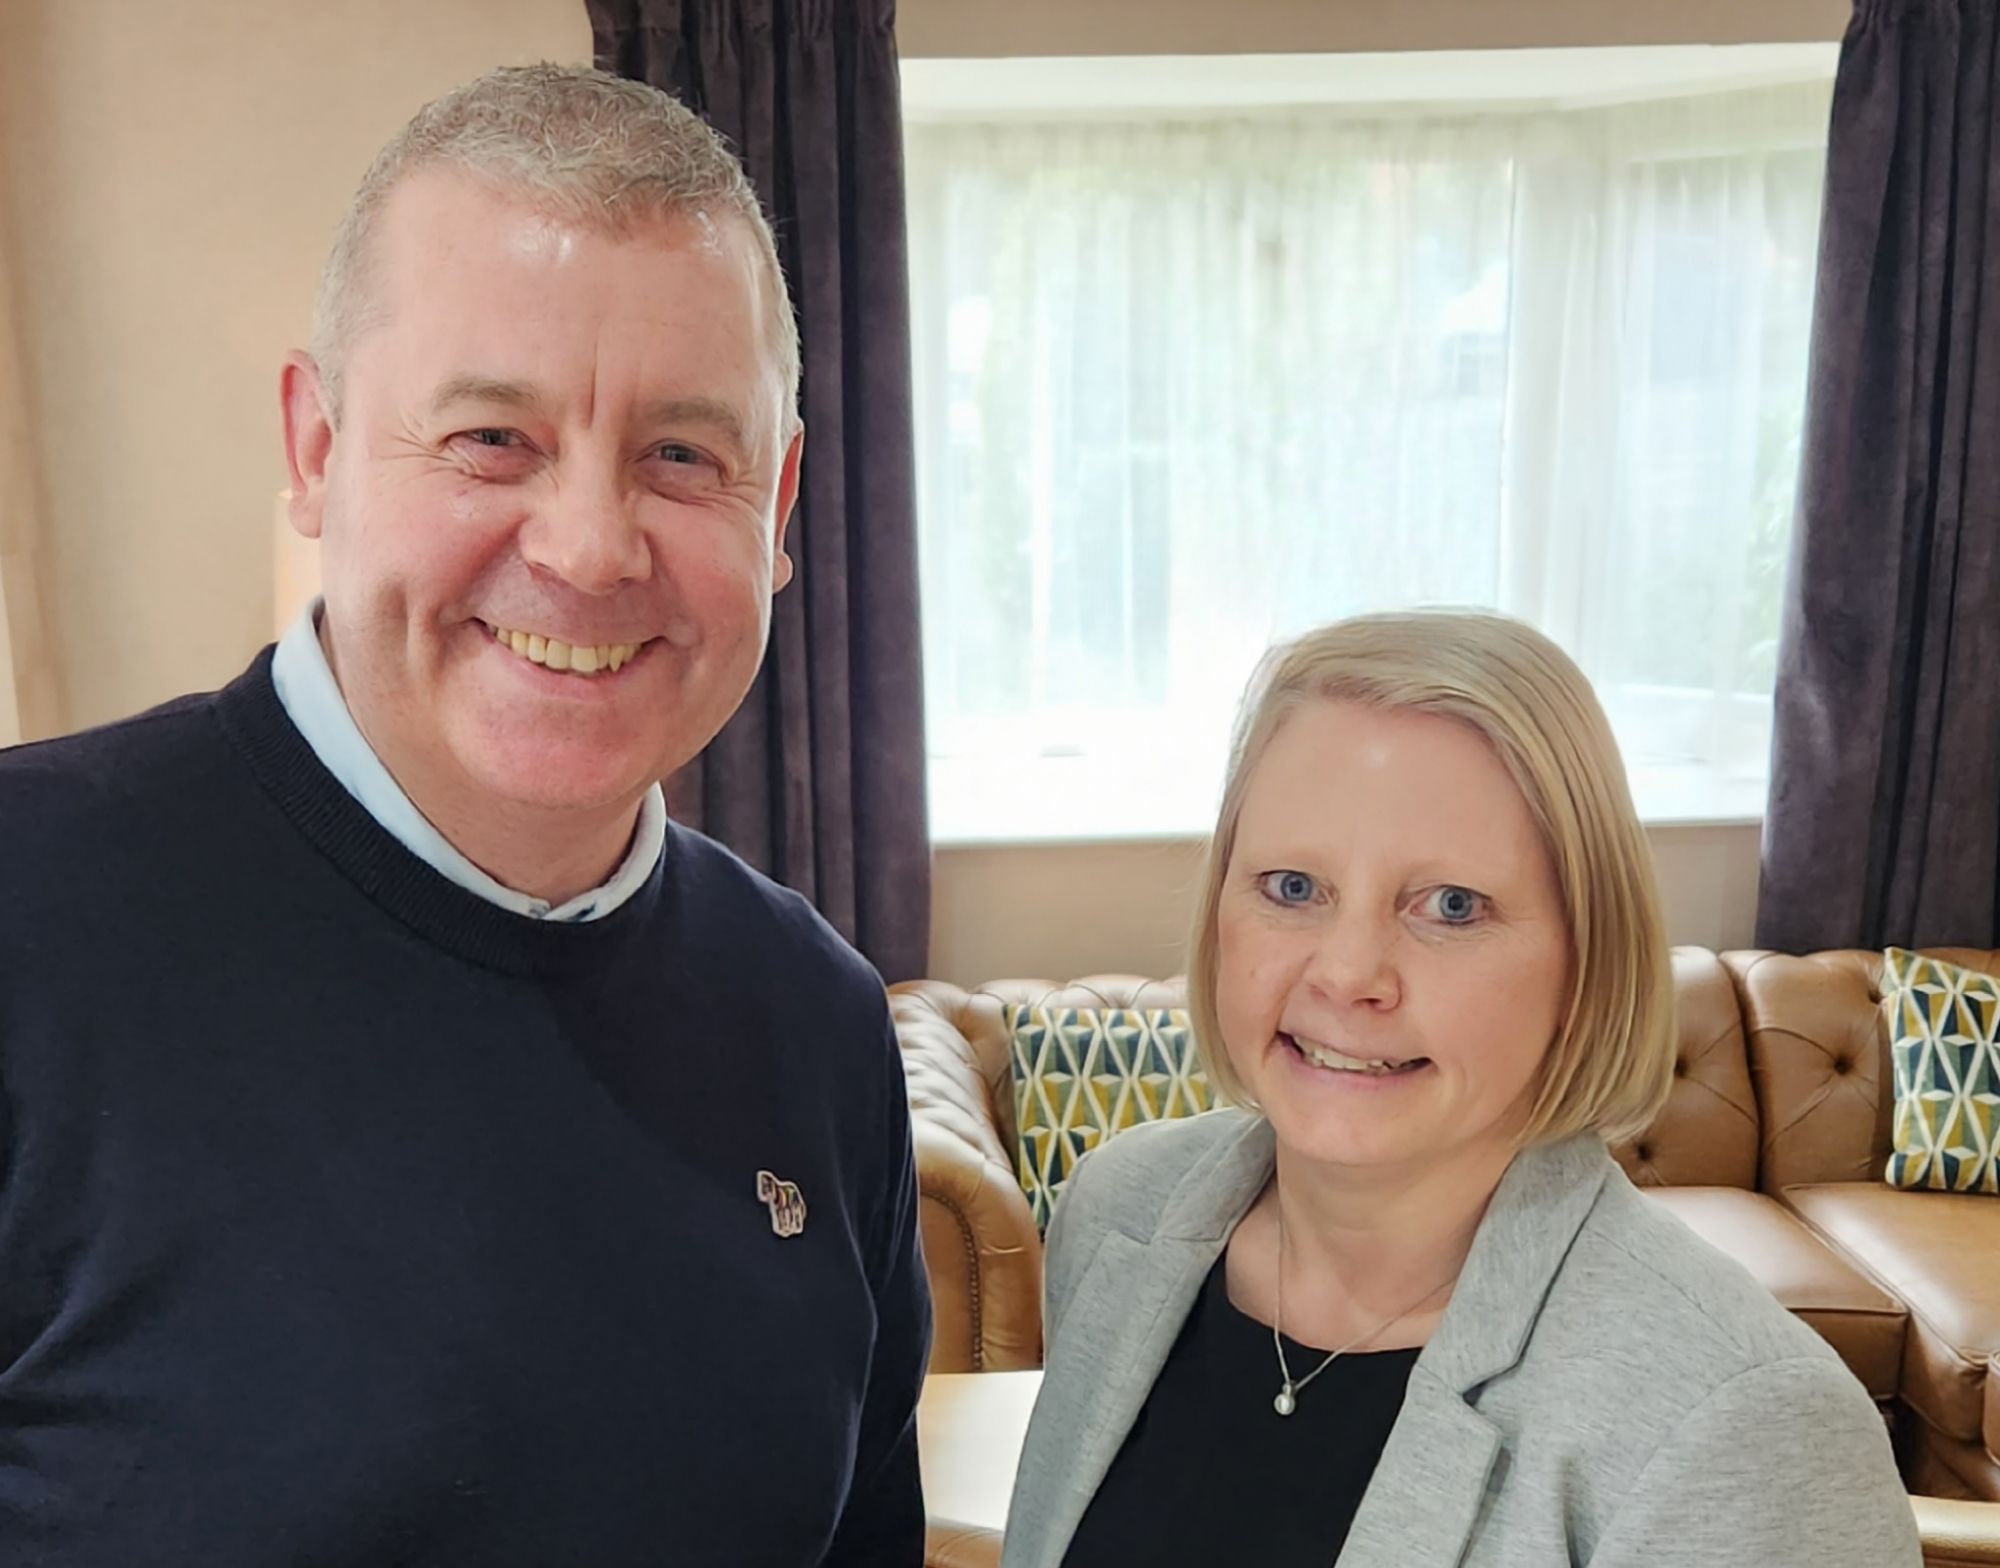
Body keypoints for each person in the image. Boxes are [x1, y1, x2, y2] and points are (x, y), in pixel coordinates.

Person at [0, 64, 928, 1566]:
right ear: (316, 448)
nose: (587, 546)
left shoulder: (815, 1022)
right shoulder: (29, 918)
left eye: (682, 455)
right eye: (492, 438)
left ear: (782, 507)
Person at [1001, 611, 1920, 1568]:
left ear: (1584, 960)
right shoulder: (1117, 1214)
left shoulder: (1747, 1425)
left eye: (1451, 906)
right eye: (1291, 888)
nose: (1349, 972)